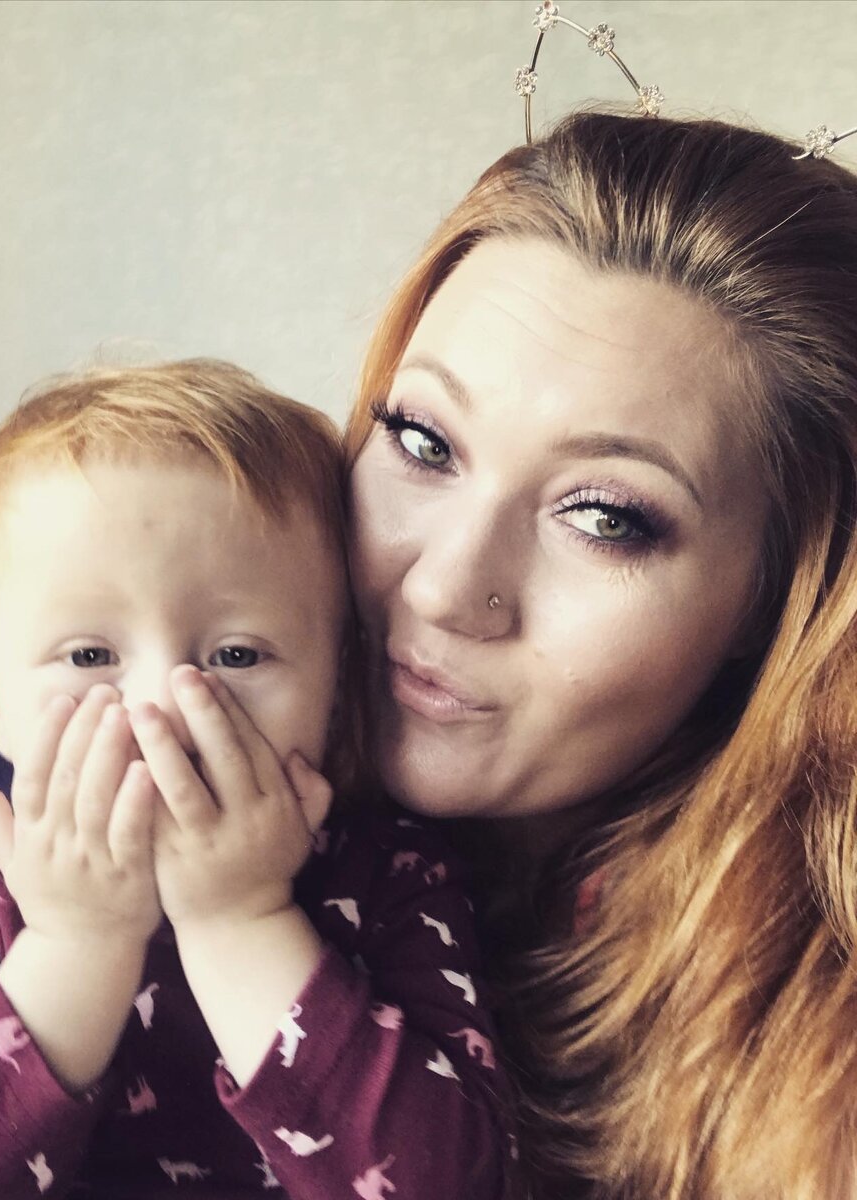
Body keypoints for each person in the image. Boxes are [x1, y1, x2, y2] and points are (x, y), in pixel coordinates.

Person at [343, 111, 857, 1198]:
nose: (443, 589)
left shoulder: (813, 1075)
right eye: (423, 442)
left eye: (604, 517)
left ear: (778, 602)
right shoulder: (146, 757)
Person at [0, 359, 511, 1198]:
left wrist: (242, 917)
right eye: (89, 656)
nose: (161, 706)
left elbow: (458, 1184)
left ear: (338, 684)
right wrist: (74, 945)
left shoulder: (397, 886)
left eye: (236, 654)